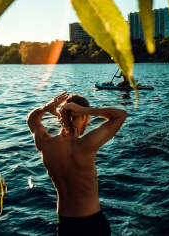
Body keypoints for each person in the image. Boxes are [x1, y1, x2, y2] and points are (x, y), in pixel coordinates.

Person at [26, 92, 128, 236]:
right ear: (85, 117)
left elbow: (32, 121)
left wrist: (45, 107)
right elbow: (121, 114)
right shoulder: (87, 144)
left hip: (66, 225)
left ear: (61, 116)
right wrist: (88, 110)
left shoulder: (45, 145)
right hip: (93, 224)